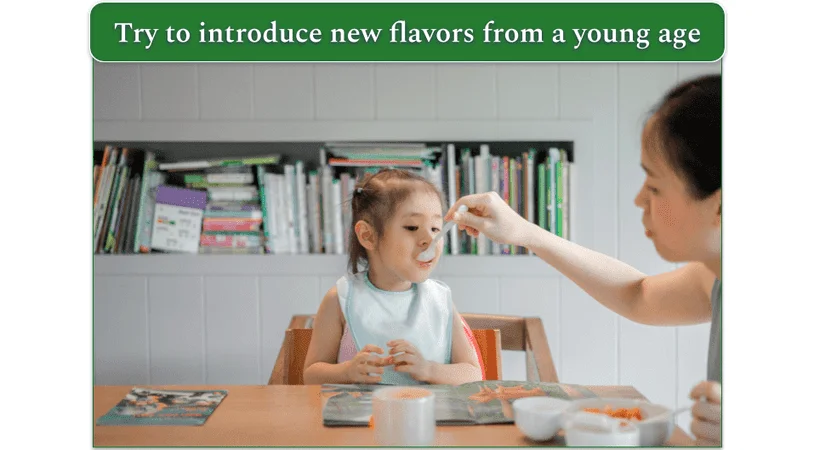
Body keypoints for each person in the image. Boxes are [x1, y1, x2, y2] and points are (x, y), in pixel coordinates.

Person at [445, 74, 722, 445]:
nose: (639, 199)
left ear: (719, 205)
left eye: (655, 186)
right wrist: (525, 232)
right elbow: (638, 294)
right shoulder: (714, 279)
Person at [302, 169, 483, 386]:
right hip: (361, 409)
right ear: (368, 236)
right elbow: (311, 375)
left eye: (436, 228)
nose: (429, 239)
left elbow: (473, 374)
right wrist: (347, 372)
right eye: (412, 227)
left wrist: (428, 369)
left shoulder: (440, 299)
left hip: (431, 409)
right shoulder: (340, 299)